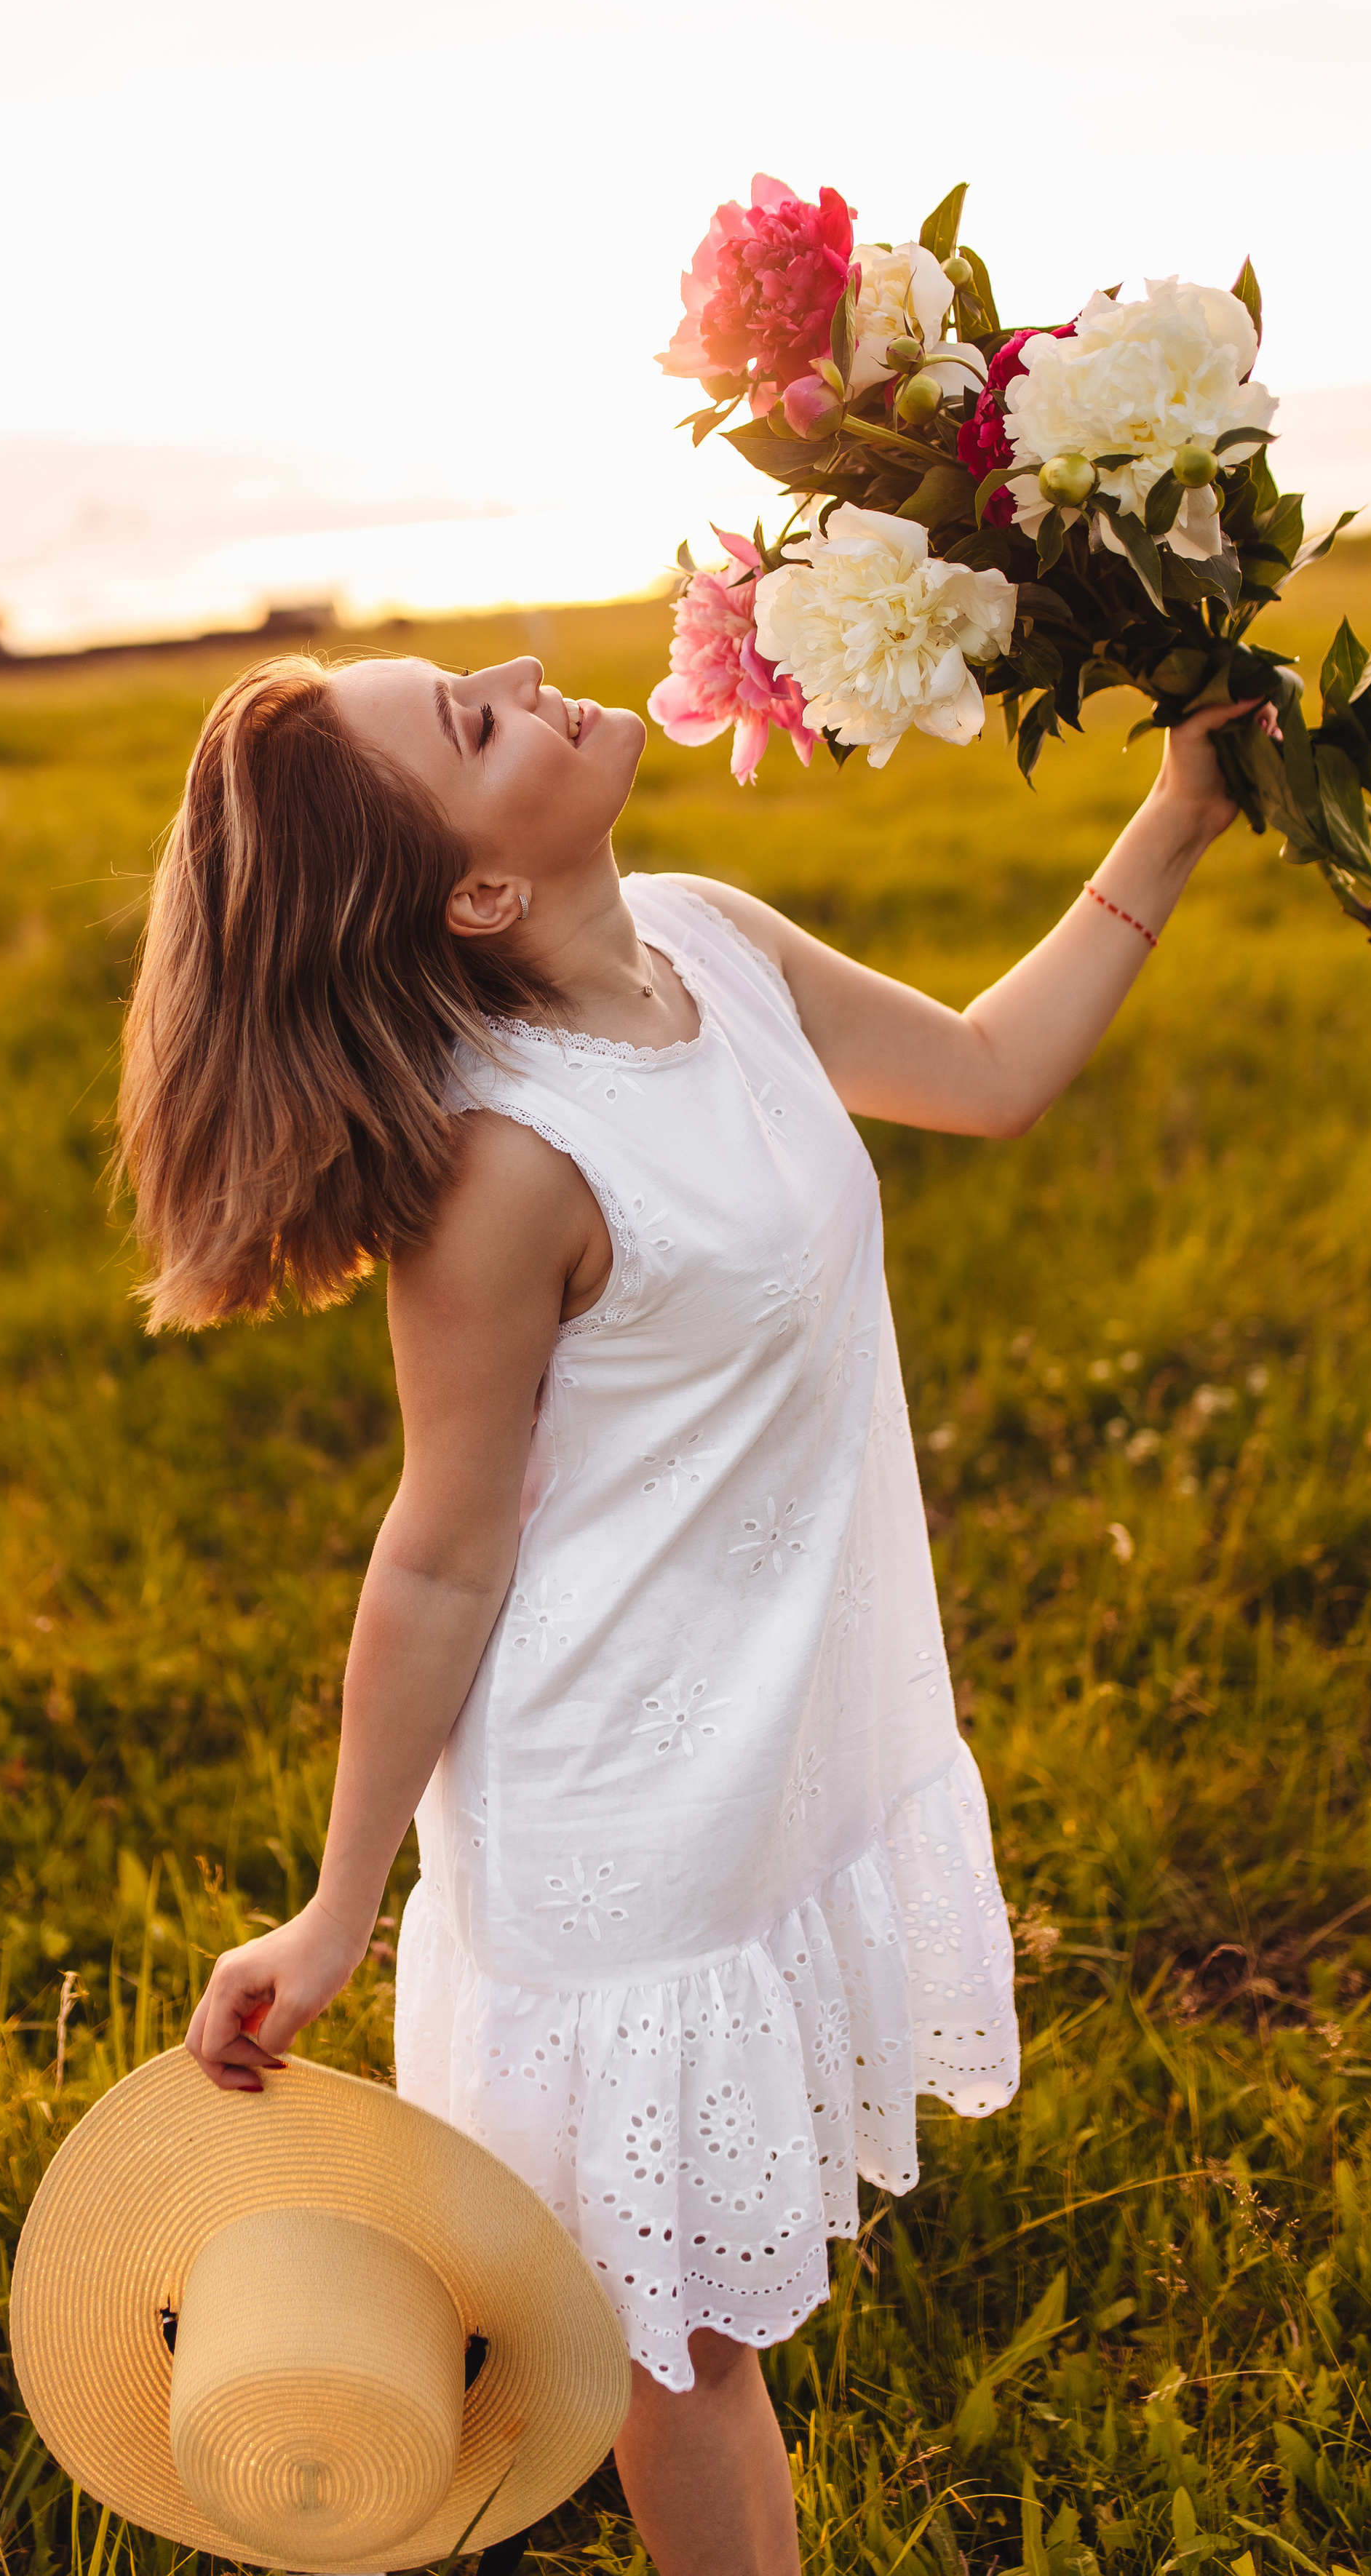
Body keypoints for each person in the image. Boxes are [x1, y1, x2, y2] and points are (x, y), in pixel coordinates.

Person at [114, 647, 1260, 2576]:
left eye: (467, 672)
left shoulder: (715, 944)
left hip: (783, 1748)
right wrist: (340, 1904)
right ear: (476, 892)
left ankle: (453, 2364)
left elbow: (983, 1078)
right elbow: (444, 1552)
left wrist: (1183, 811)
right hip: (623, 1830)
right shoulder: (505, 1167)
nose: (520, 673)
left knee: (663, 2317)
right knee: (681, 2356)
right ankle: (375, 2405)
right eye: (469, 724)